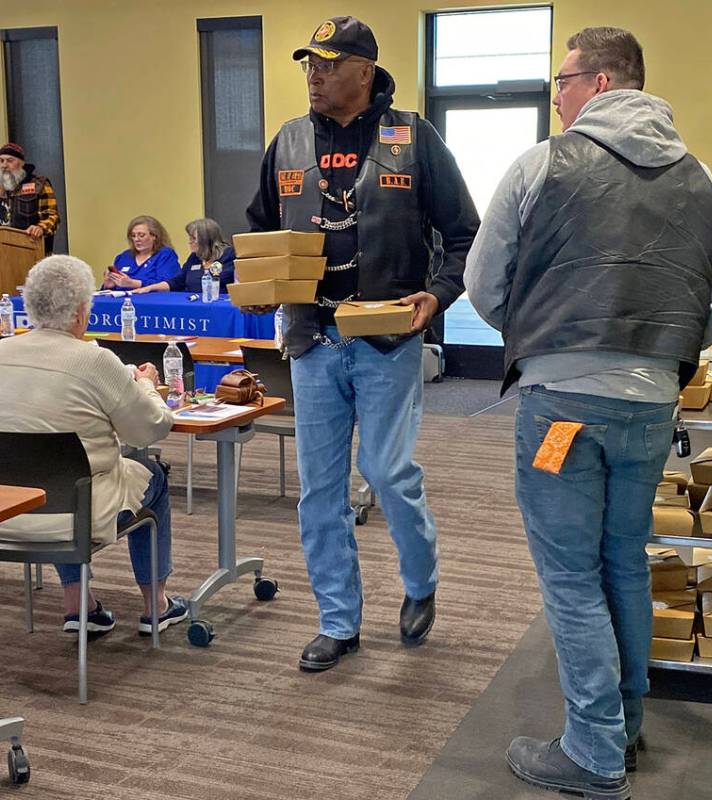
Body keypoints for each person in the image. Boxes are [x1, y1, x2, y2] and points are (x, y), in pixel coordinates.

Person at [466, 27, 712, 799]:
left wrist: (540, 334)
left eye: (560, 80)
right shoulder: (699, 177)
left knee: (568, 575)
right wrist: (656, 354)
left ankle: (591, 751)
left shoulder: (540, 164)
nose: (554, 96)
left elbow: (483, 283)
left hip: (560, 400)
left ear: (595, 82)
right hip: (653, 402)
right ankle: (622, 722)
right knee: (623, 560)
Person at [245, 16, 478, 673]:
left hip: (386, 340)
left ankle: (421, 578)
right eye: (308, 65)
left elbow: (464, 234)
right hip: (312, 338)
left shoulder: (412, 139)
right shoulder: (289, 141)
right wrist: (261, 285)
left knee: (385, 470)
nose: (313, 76)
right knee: (320, 489)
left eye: (326, 63)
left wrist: (437, 295)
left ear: (364, 71)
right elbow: (261, 228)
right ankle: (338, 622)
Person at [0, 255, 190, 635]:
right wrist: (144, 385)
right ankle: (156, 605)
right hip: (75, 514)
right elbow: (150, 430)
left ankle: (78, 604)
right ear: (79, 313)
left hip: (2, 512)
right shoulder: (94, 359)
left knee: (55, 473)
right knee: (153, 474)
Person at [0, 142, 60, 252]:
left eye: (10, 161)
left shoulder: (40, 185)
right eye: (2, 160)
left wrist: (40, 228)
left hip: (31, 248)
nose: (4, 165)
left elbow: (52, 217)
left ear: (21, 163)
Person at [134, 218, 235, 295]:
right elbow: (178, 282)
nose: (189, 242)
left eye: (193, 239)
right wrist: (150, 288)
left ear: (205, 239)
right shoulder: (195, 257)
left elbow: (222, 280)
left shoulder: (228, 255)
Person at [103, 215, 179, 289]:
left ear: (154, 236)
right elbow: (109, 290)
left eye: (141, 235)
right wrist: (108, 286)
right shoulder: (124, 257)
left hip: (151, 300)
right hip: (122, 300)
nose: (136, 239)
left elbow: (168, 284)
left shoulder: (165, 255)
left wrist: (133, 283)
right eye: (133, 236)